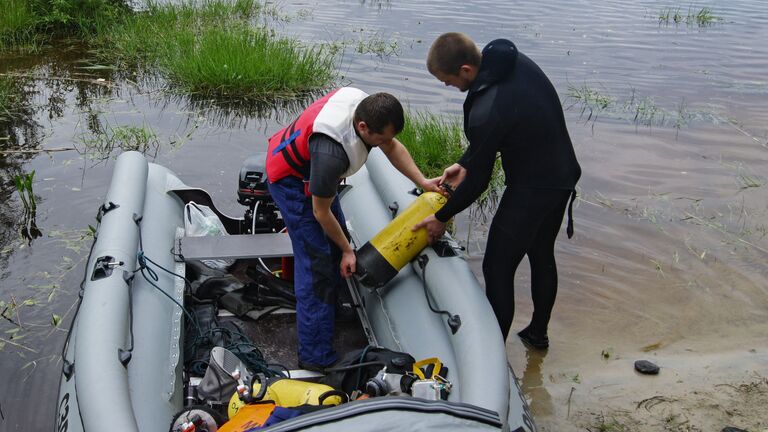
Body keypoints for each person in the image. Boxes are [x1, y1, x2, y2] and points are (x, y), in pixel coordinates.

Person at [414, 33, 581, 349]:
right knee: (541, 253)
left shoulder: (487, 106)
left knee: (497, 266)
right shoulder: (507, 60)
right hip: (562, 176)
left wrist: (441, 217)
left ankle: (492, 354)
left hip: (532, 187)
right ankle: (537, 334)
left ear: (465, 70)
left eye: (448, 81)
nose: (448, 87)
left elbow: (479, 181)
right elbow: (492, 142)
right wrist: (462, 163)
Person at [266, 88, 440, 370]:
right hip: (291, 182)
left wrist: (423, 180)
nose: (386, 143)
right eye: (380, 138)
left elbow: (392, 146)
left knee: (335, 245)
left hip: (315, 173)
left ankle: (332, 309)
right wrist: (348, 251)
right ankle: (315, 355)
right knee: (316, 265)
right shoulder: (331, 151)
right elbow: (320, 212)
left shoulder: (365, 106)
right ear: (362, 127)